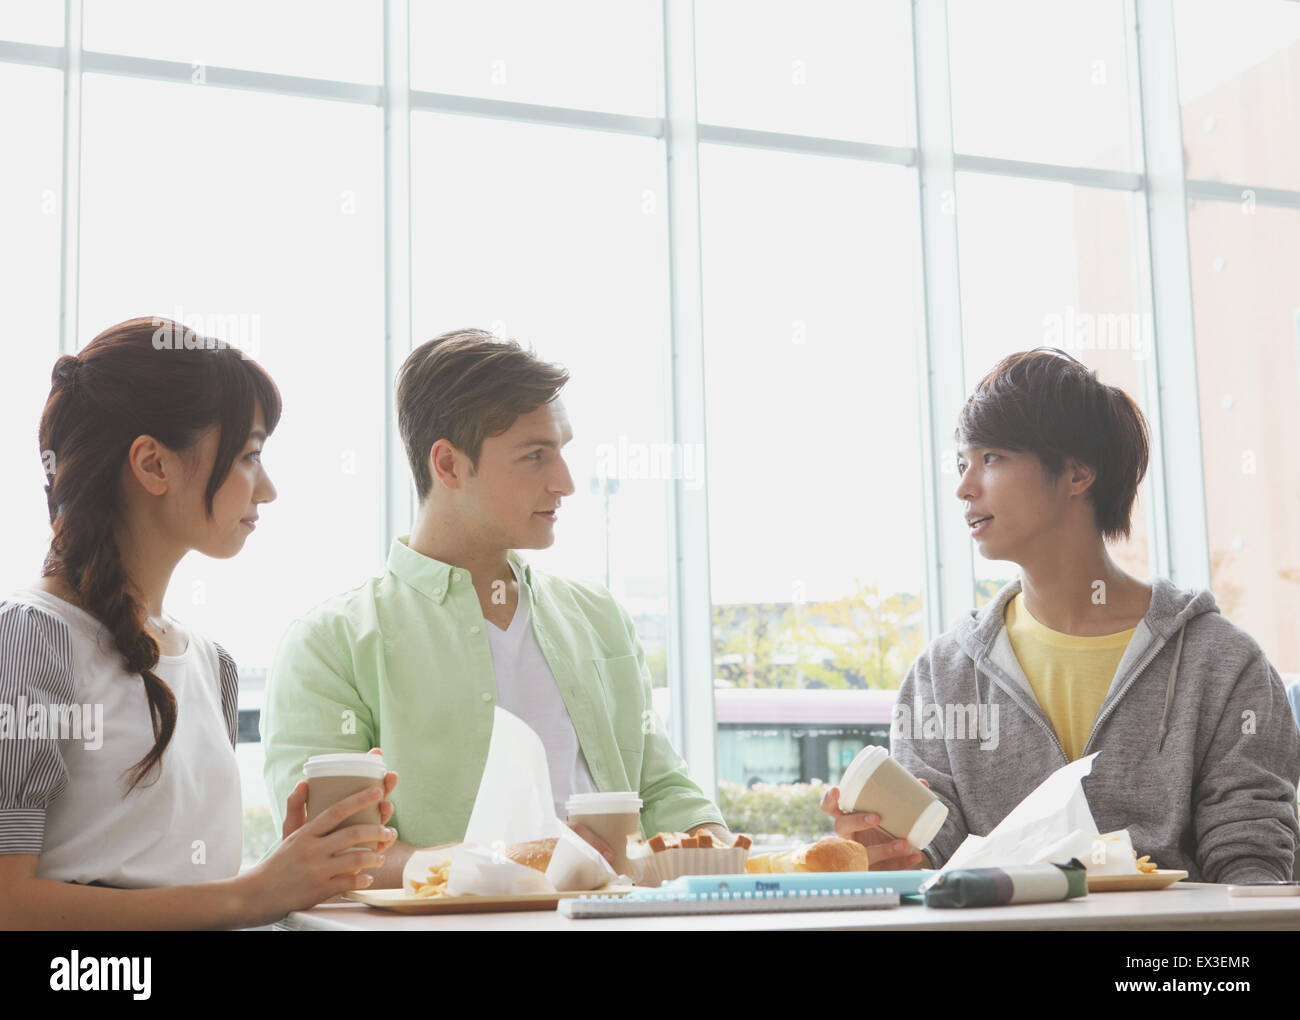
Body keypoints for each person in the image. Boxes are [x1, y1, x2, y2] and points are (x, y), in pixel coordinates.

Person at [261, 329, 729, 886]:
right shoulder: (329, 643)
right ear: (449, 466)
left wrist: (727, 850)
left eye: (562, 452)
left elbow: (662, 790)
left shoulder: (599, 616)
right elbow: (335, 852)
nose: (566, 483)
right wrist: (510, 862)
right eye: (535, 456)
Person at [823, 348, 1300, 883]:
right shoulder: (941, 675)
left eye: (992, 459)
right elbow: (935, 856)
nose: (964, 486)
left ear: (1077, 473)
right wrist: (888, 849)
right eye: (962, 464)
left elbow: (1252, 857)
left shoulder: (1223, 663)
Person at [0, 317, 396, 930]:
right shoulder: (30, 640)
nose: (267, 489)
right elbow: (9, 904)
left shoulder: (214, 665)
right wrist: (251, 894)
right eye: (249, 455)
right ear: (153, 464)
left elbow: (177, 893)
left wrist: (289, 869)